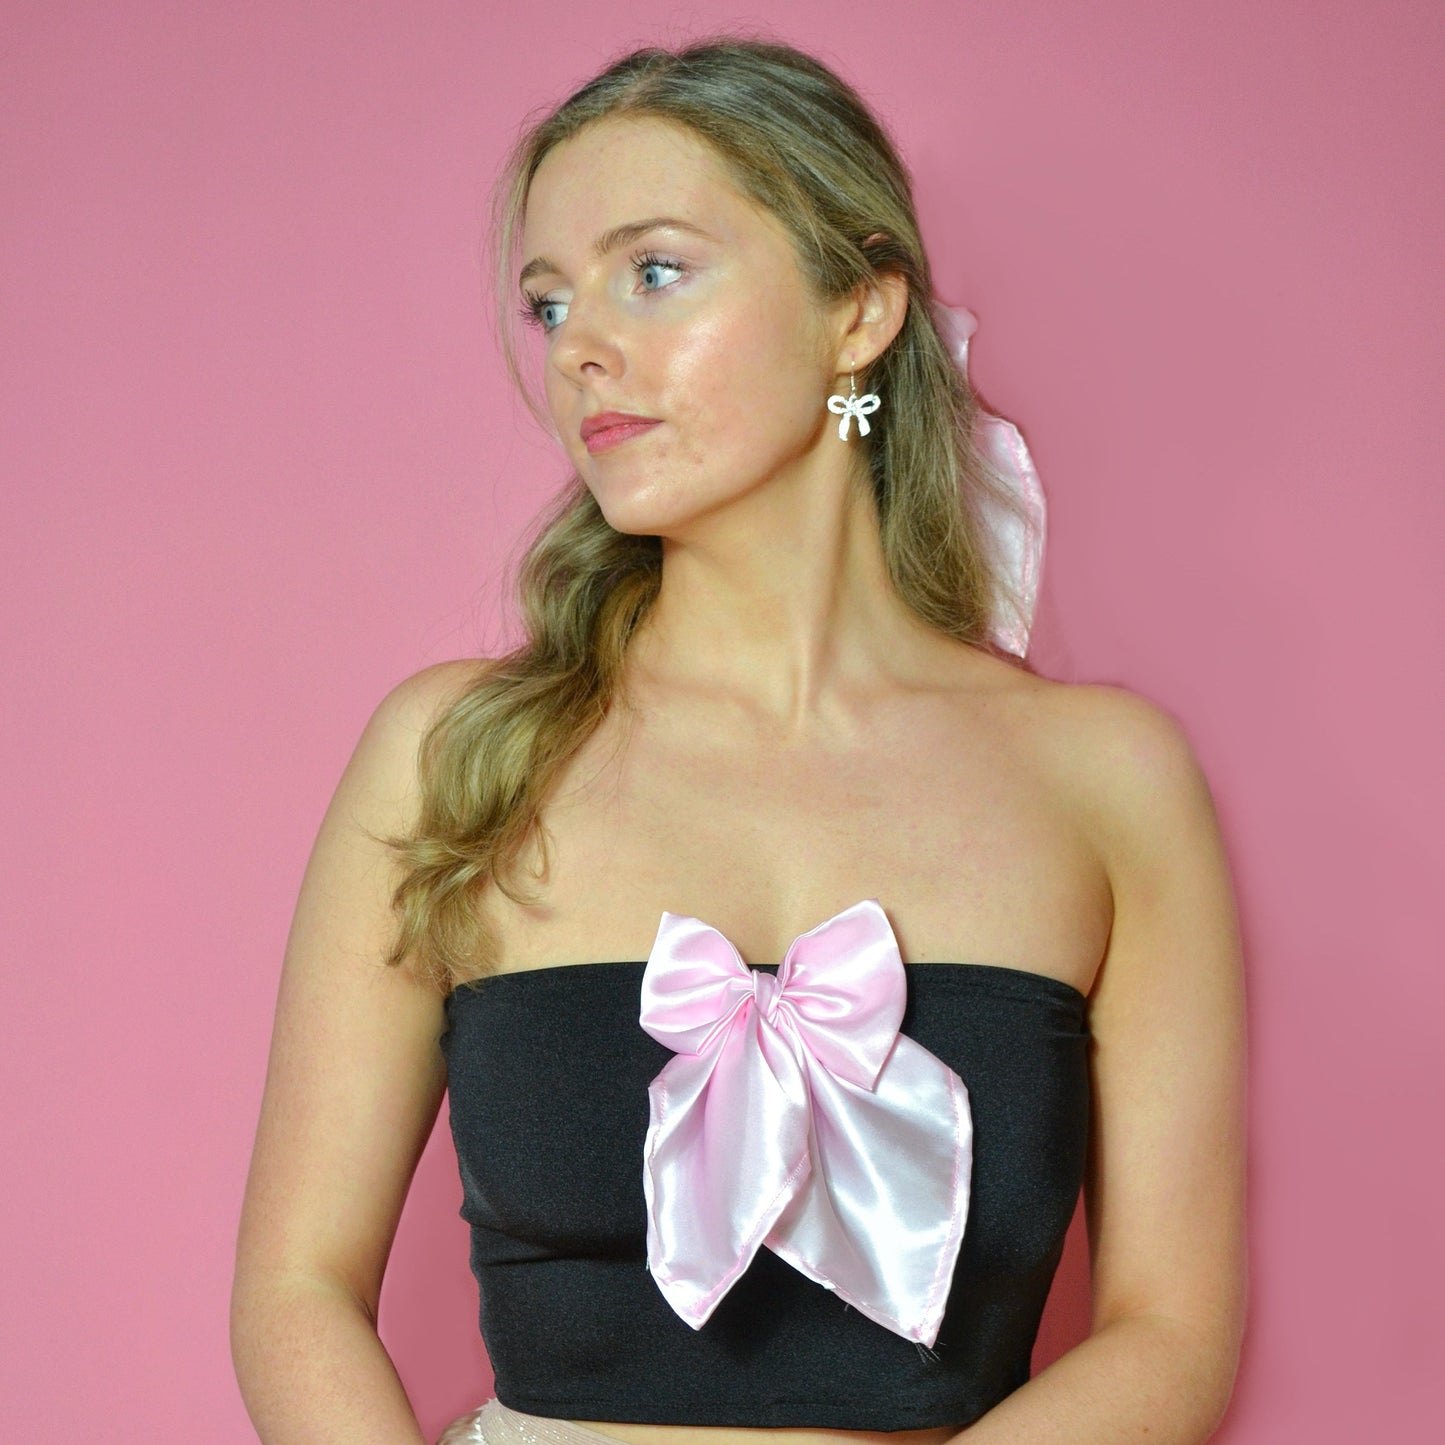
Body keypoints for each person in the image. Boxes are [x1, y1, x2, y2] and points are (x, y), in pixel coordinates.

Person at [230, 37, 1247, 1445]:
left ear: (859, 312)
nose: (581, 339)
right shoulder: (452, 751)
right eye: (547, 301)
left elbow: (1171, 1330)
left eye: (652, 271)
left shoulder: (1106, 779)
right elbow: (293, 1286)